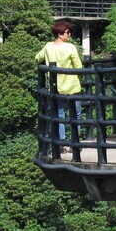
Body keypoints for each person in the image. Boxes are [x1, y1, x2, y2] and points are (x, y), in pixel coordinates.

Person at [35, 21, 84, 151]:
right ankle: (75, 143)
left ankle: (61, 143)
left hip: (56, 87)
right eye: (68, 32)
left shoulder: (48, 46)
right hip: (73, 87)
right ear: (60, 34)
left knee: (59, 115)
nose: (70, 34)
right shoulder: (70, 48)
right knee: (76, 115)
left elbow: (37, 58)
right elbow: (78, 66)